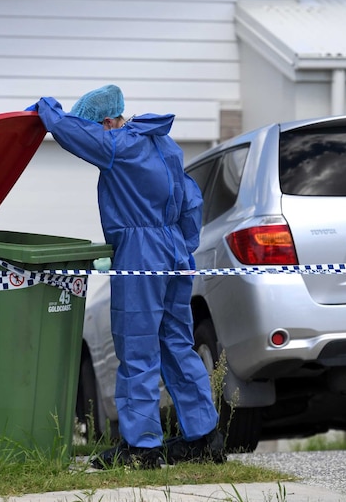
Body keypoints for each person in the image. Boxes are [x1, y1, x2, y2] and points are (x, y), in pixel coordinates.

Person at [29, 85, 225, 469]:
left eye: (96, 128)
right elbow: (192, 200)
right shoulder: (163, 144)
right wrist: (181, 246)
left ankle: (141, 447)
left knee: (137, 349)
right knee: (176, 344)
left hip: (141, 253)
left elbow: (69, 132)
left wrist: (44, 109)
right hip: (174, 254)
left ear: (105, 122)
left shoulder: (117, 144)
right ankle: (204, 438)